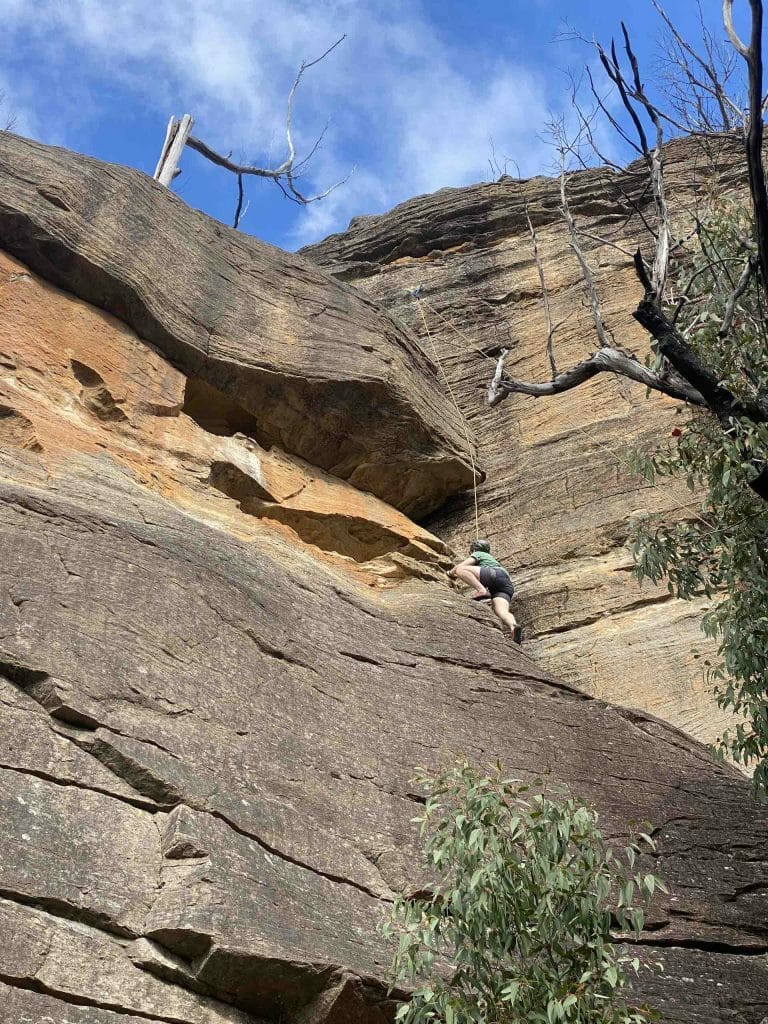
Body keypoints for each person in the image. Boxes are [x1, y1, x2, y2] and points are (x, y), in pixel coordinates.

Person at [449, 539, 522, 644]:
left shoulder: (479, 553)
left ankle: (481, 590)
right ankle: (513, 626)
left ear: (474, 549)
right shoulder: (492, 559)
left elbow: (461, 566)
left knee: (460, 569)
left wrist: (450, 573)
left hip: (493, 574)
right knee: (501, 611)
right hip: (506, 584)